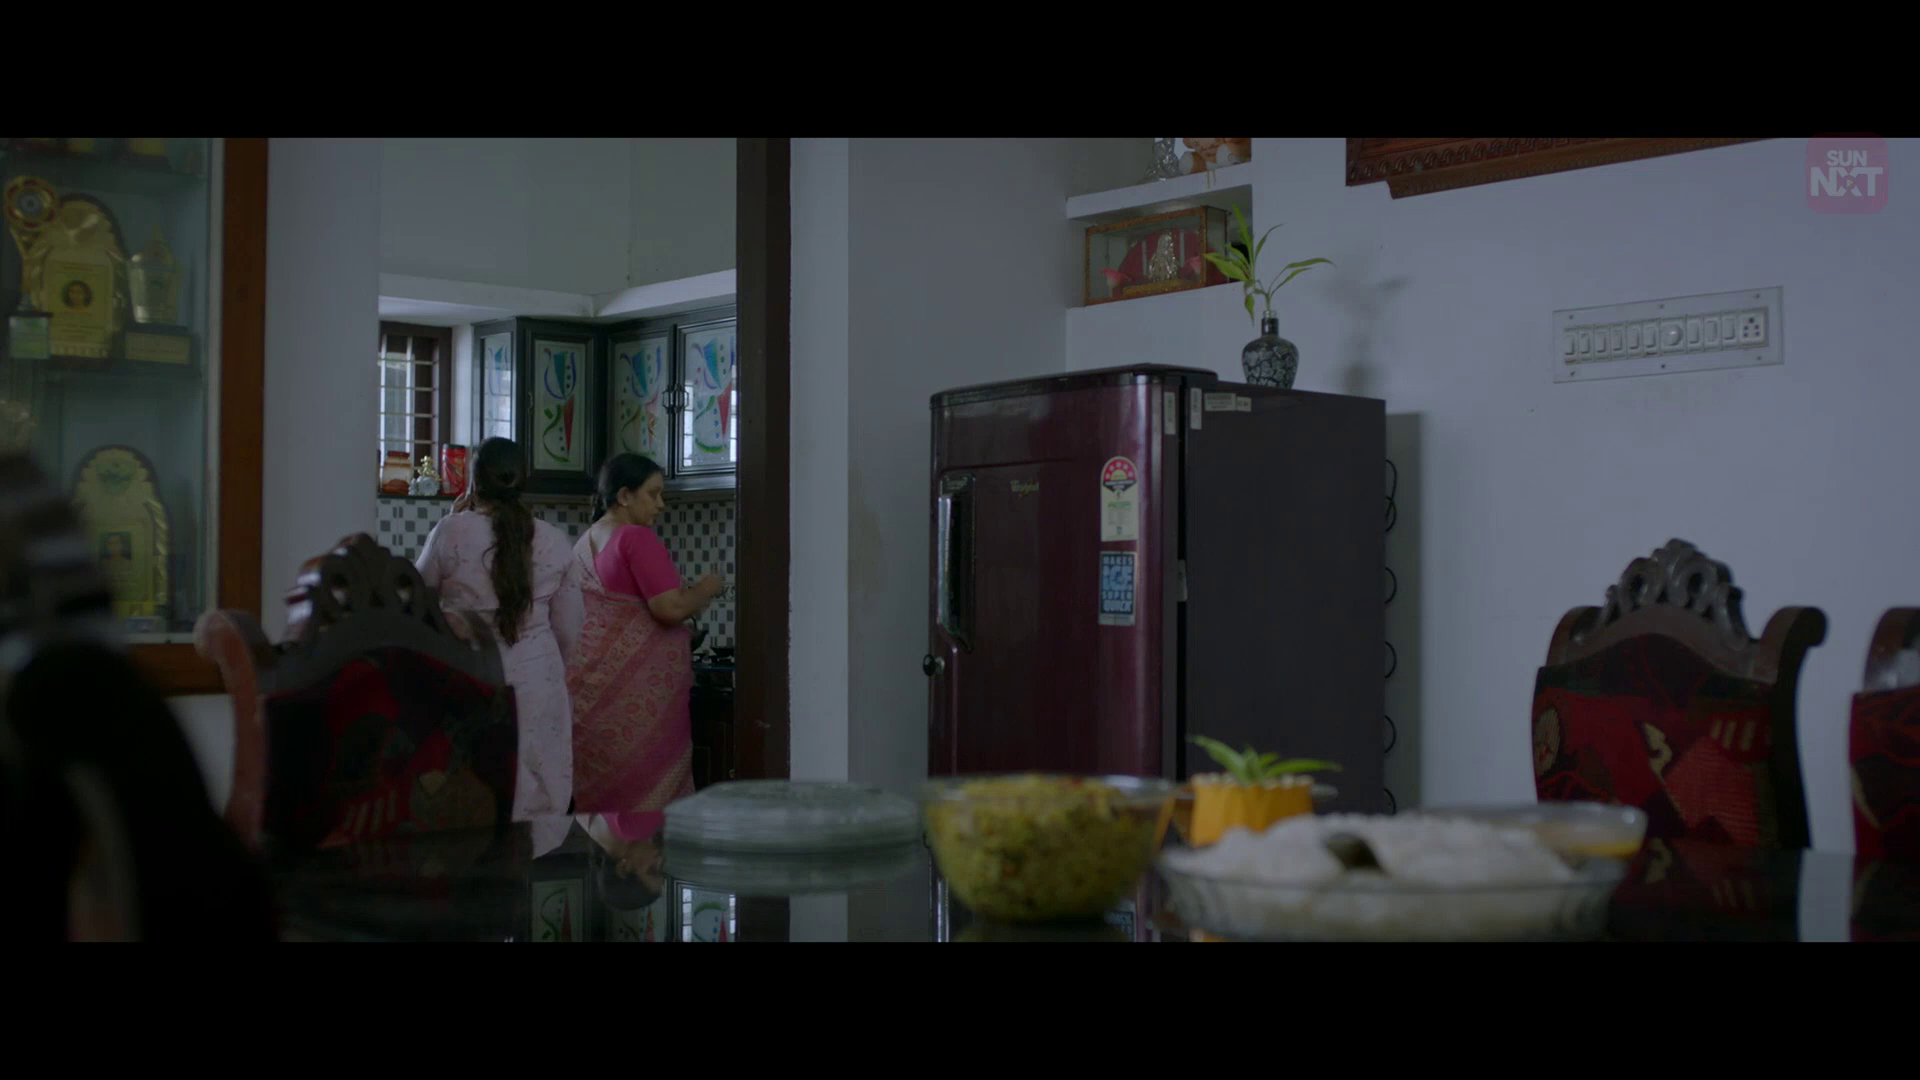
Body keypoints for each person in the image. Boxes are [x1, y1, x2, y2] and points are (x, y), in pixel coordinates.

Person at [415, 437, 583, 839]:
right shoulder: (555, 541)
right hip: (538, 679)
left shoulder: (451, 532)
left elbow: (418, 601)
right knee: (536, 789)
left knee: (472, 788)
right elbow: (570, 631)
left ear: (473, 484)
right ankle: (531, 865)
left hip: (470, 676)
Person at [565, 453, 722, 815]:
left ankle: (604, 852)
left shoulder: (587, 540)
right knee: (646, 806)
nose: (661, 504)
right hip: (635, 707)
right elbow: (669, 608)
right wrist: (707, 588)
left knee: (603, 809)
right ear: (624, 496)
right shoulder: (635, 538)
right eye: (653, 494)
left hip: (589, 697)